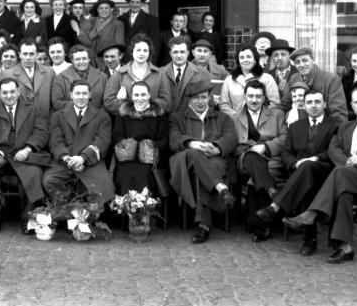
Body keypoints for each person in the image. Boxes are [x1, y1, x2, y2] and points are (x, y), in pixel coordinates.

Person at [283, 87, 357, 263]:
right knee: (343, 192)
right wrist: (350, 163)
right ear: (351, 104)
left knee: (337, 174)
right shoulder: (345, 126)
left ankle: (311, 214)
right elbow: (333, 149)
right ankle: (344, 246)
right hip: (346, 175)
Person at [253, 89, 339, 256]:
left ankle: (275, 207)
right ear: (304, 105)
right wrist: (294, 164)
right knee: (305, 180)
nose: (313, 106)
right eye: (309, 102)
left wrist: (313, 160)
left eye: (317, 102)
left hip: (324, 173)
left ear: (325, 104)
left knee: (307, 171)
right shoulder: (295, 126)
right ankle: (309, 240)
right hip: (299, 173)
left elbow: (333, 151)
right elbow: (286, 153)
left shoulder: (334, 125)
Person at [0, 78, 51, 235]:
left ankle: (29, 219)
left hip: (23, 153)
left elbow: (41, 131)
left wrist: (29, 148)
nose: (9, 96)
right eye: (5, 92)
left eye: (12, 92)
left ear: (18, 91)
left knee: (32, 175)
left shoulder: (34, 108)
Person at [168, 79, 238, 244]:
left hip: (214, 160)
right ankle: (221, 188)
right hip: (185, 161)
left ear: (209, 98)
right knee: (195, 153)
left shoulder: (222, 117)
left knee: (205, 173)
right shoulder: (177, 118)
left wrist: (217, 147)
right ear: (189, 99)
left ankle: (203, 225)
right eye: (196, 98)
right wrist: (191, 143)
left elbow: (231, 137)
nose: (200, 101)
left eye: (204, 97)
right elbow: (173, 138)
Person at [231, 80, 288, 242]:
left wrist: (266, 147)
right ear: (244, 97)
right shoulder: (235, 118)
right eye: (250, 96)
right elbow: (232, 146)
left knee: (256, 176)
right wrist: (248, 147)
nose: (254, 100)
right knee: (252, 158)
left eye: (258, 96)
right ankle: (273, 194)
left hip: (270, 158)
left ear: (264, 98)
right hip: (244, 161)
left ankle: (259, 225)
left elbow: (285, 138)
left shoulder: (277, 115)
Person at [43, 80, 115, 205]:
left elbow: (102, 142)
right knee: (49, 180)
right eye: (77, 93)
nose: (81, 97)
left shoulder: (102, 116)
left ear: (90, 95)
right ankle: (71, 211)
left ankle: (90, 216)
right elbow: (55, 142)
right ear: (71, 95)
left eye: (84, 93)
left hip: (90, 161)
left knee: (103, 187)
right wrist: (67, 159)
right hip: (65, 161)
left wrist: (82, 158)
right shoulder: (58, 116)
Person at [112, 81, 168, 195]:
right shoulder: (123, 114)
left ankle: (147, 209)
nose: (140, 98)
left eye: (143, 95)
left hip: (151, 161)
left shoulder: (159, 114)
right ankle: (126, 208)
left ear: (149, 95)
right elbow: (117, 136)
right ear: (131, 96)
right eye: (136, 95)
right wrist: (127, 149)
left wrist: (149, 150)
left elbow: (163, 139)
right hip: (127, 160)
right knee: (125, 174)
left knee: (146, 174)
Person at [103, 33, 172, 116]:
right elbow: (108, 101)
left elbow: (166, 103)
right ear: (132, 51)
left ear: (149, 53)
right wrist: (128, 108)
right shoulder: (119, 74)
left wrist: (147, 107)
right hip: (126, 123)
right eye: (138, 50)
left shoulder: (160, 75)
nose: (141, 53)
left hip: (152, 123)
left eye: (145, 50)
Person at [278, 47, 348, 124]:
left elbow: (339, 114)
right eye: (297, 62)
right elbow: (284, 105)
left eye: (305, 60)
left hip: (324, 127)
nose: (301, 65)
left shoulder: (331, 80)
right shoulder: (294, 78)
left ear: (313, 60)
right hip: (297, 128)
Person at [220, 44, 279, 118]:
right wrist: (238, 117)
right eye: (242, 57)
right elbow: (224, 106)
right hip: (236, 123)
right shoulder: (229, 80)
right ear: (238, 60)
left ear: (255, 59)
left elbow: (275, 104)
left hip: (262, 123)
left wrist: (257, 116)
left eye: (248, 57)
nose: (245, 60)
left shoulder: (267, 78)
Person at [1, 38, 55, 116]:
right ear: (19, 54)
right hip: (18, 123)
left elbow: (55, 101)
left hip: (44, 121)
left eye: (31, 54)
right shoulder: (7, 74)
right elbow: (1, 103)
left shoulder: (49, 73)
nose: (28, 57)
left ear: (36, 54)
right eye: (25, 54)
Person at [161, 35, 210, 113]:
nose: (179, 55)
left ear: (188, 53)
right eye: (175, 52)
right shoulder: (160, 73)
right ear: (170, 53)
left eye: (182, 52)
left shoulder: (202, 73)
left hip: (191, 121)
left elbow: (209, 103)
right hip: (166, 121)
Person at [52, 45, 108, 111]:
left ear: (89, 59)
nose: (81, 62)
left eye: (84, 58)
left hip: (97, 118)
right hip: (71, 118)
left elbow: (107, 101)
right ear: (72, 60)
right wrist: (79, 109)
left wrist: (98, 114)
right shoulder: (60, 78)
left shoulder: (102, 77)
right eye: (78, 59)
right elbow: (57, 102)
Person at [75, 0, 124, 69]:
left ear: (111, 9)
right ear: (97, 10)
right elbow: (86, 41)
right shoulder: (91, 22)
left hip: (108, 62)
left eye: (106, 8)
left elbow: (119, 45)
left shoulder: (118, 24)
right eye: (101, 8)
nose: (104, 10)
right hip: (91, 62)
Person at [117, 0, 161, 65]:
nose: (135, 5)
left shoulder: (151, 20)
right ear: (129, 3)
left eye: (137, 2)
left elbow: (155, 44)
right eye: (132, 2)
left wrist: (151, 62)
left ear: (142, 4)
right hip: (124, 61)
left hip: (143, 59)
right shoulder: (120, 19)